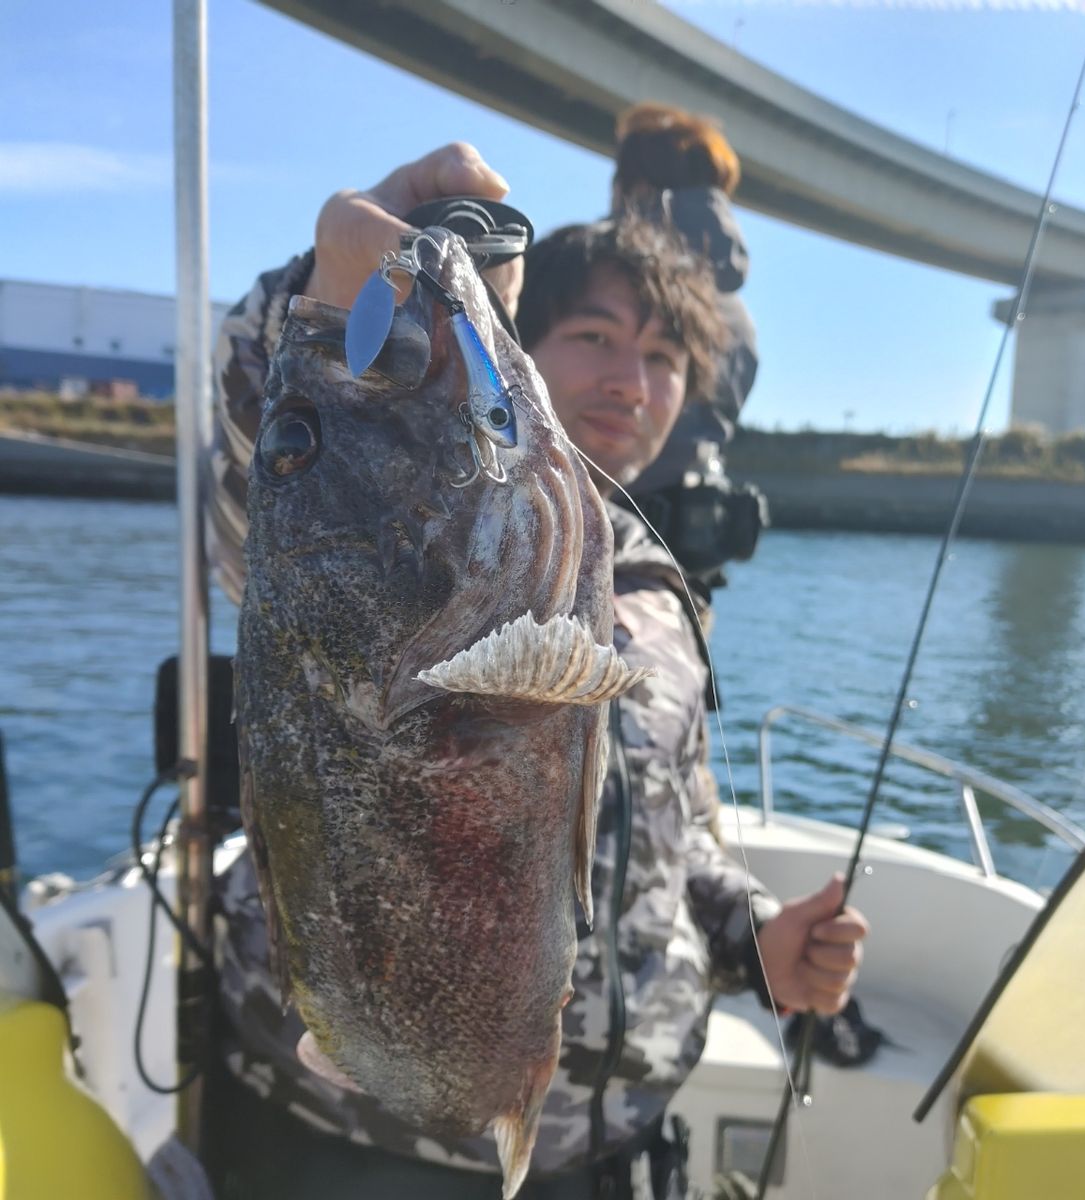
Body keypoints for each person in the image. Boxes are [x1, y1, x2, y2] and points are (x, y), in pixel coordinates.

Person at [204, 142, 868, 1200]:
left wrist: (756, 939)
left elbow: (671, 837)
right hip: (346, 1135)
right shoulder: (408, 515)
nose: (629, 380)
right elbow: (275, 469)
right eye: (595, 336)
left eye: (662, 359)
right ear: (517, 341)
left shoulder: (653, 589)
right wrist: (326, 308)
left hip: (590, 1145)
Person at [608, 104, 766, 584]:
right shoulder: (737, 314)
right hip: (690, 566)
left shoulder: (606, 282)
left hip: (609, 555)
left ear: (633, 188)